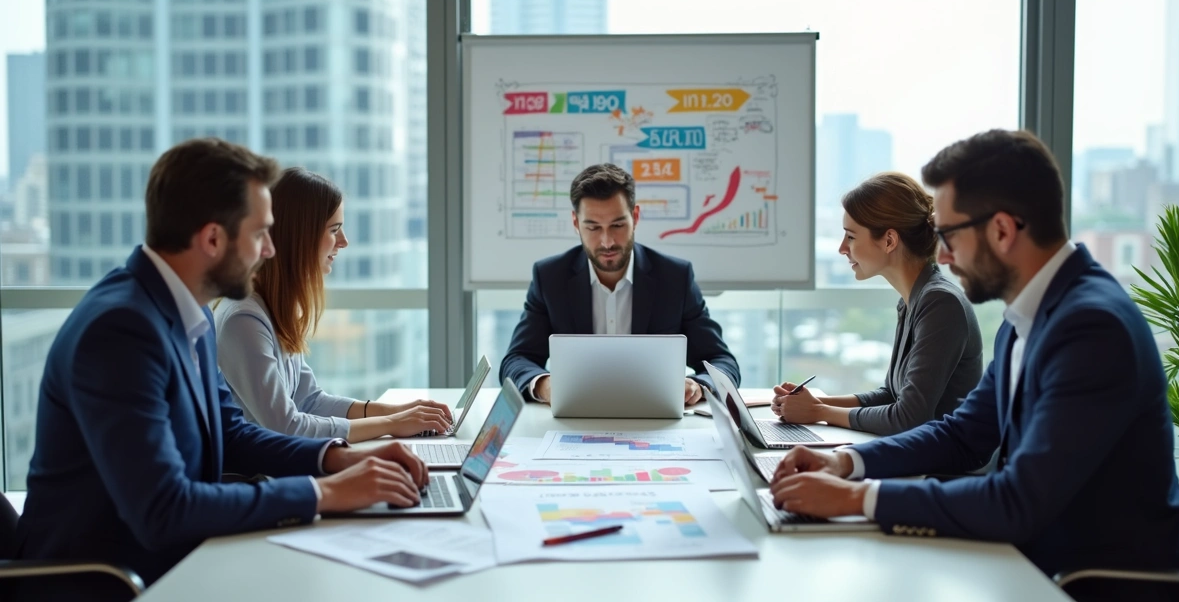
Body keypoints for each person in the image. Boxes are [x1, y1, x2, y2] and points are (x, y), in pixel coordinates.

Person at [767, 130, 1179, 602]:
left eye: (949, 236)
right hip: (1032, 560)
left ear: (1003, 231)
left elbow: (1019, 500)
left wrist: (858, 498)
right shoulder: (1026, 317)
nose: (942, 255)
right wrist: (845, 463)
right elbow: (963, 434)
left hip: (1094, 583)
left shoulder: (1092, 327)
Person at [14, 139, 430, 602]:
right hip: (104, 581)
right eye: (260, 234)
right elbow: (164, 507)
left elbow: (232, 434)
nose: (271, 249)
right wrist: (324, 494)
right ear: (213, 239)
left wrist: (337, 458)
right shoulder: (121, 330)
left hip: (177, 560)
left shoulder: (193, 314)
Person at [214, 167, 452, 441]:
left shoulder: (274, 307)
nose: (344, 241)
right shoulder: (243, 320)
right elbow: (286, 427)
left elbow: (310, 401)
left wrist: (398, 412)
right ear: (299, 236)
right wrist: (390, 423)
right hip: (260, 477)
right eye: (334, 229)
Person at [500, 163, 740, 405]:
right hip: (577, 419)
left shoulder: (675, 277)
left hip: (656, 421)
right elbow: (517, 360)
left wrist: (698, 386)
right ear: (576, 223)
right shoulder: (550, 277)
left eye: (617, 225)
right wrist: (545, 385)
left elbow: (722, 361)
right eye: (593, 227)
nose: (607, 242)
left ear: (635, 217)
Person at [771, 172, 983, 435]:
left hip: (946, 468)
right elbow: (890, 395)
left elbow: (908, 417)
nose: (841, 248)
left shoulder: (941, 303)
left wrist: (818, 412)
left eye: (850, 236)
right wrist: (812, 403)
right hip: (919, 453)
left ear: (889, 240)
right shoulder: (913, 300)